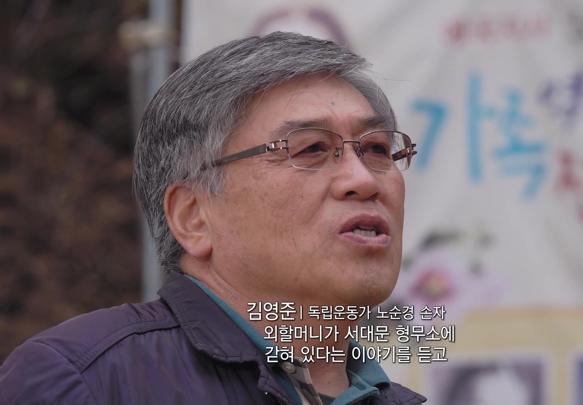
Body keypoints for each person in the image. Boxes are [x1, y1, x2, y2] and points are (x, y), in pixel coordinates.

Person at [0, 32, 425, 405]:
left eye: (377, 149)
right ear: (193, 217)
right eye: (311, 148)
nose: (363, 180)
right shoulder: (85, 382)